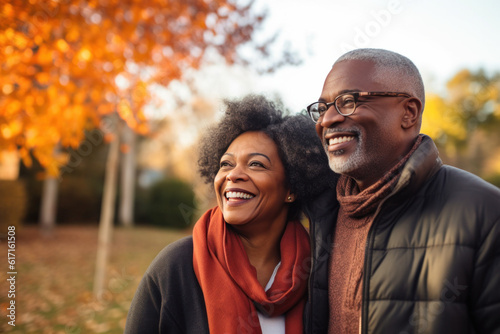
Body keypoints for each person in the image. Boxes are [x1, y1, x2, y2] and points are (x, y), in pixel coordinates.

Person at [303, 48, 500, 334]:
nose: (327, 120)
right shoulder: (320, 214)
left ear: (408, 112)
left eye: (348, 101)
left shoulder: (485, 212)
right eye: (322, 108)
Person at [125, 95, 336, 334]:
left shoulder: (318, 268)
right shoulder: (175, 267)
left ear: (291, 190)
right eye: (226, 164)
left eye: (256, 164)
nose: (233, 175)